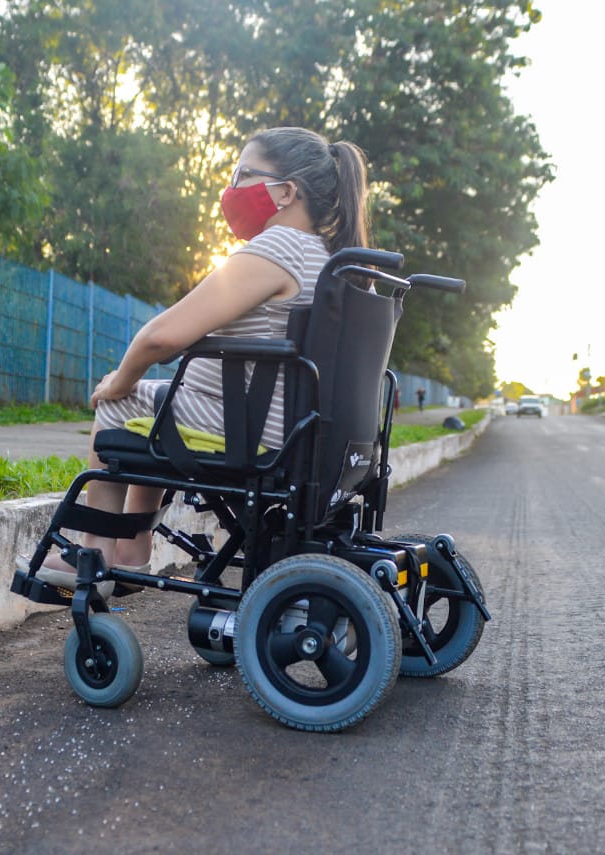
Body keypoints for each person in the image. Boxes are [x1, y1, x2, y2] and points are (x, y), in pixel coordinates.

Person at [21, 127, 372, 591]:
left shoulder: (276, 247)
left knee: (122, 404)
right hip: (293, 427)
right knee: (160, 404)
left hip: (252, 430)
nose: (232, 188)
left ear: (286, 192)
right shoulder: (325, 256)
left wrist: (121, 381)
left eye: (243, 174)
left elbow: (160, 337)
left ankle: (96, 552)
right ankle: (133, 549)